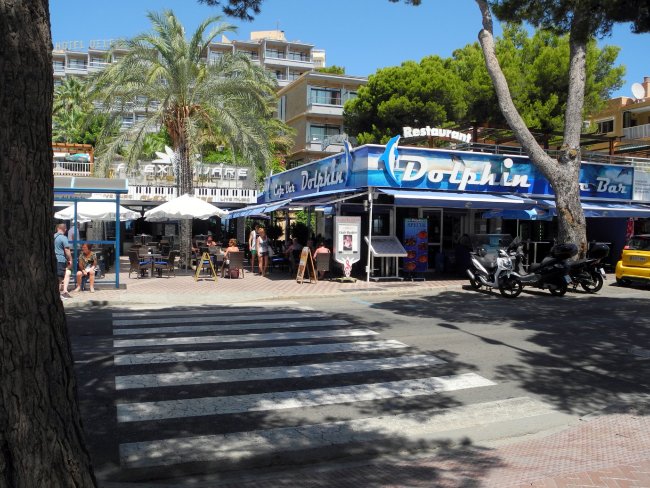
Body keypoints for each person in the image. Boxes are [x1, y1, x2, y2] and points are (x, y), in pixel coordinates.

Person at [54, 223, 73, 299]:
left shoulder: (53, 236)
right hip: (60, 259)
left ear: (57, 228)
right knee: (59, 278)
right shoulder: (63, 238)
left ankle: (64, 291)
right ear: (65, 229)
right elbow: (67, 250)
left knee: (64, 274)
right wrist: (70, 259)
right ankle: (58, 296)